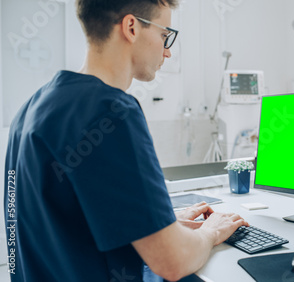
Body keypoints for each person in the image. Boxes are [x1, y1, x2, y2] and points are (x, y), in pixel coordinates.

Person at [3, 0, 248, 281]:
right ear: (131, 27)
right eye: (164, 35)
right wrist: (211, 231)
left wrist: (160, 227)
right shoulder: (111, 110)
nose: (167, 51)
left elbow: (65, 223)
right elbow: (173, 262)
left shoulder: (34, 106)